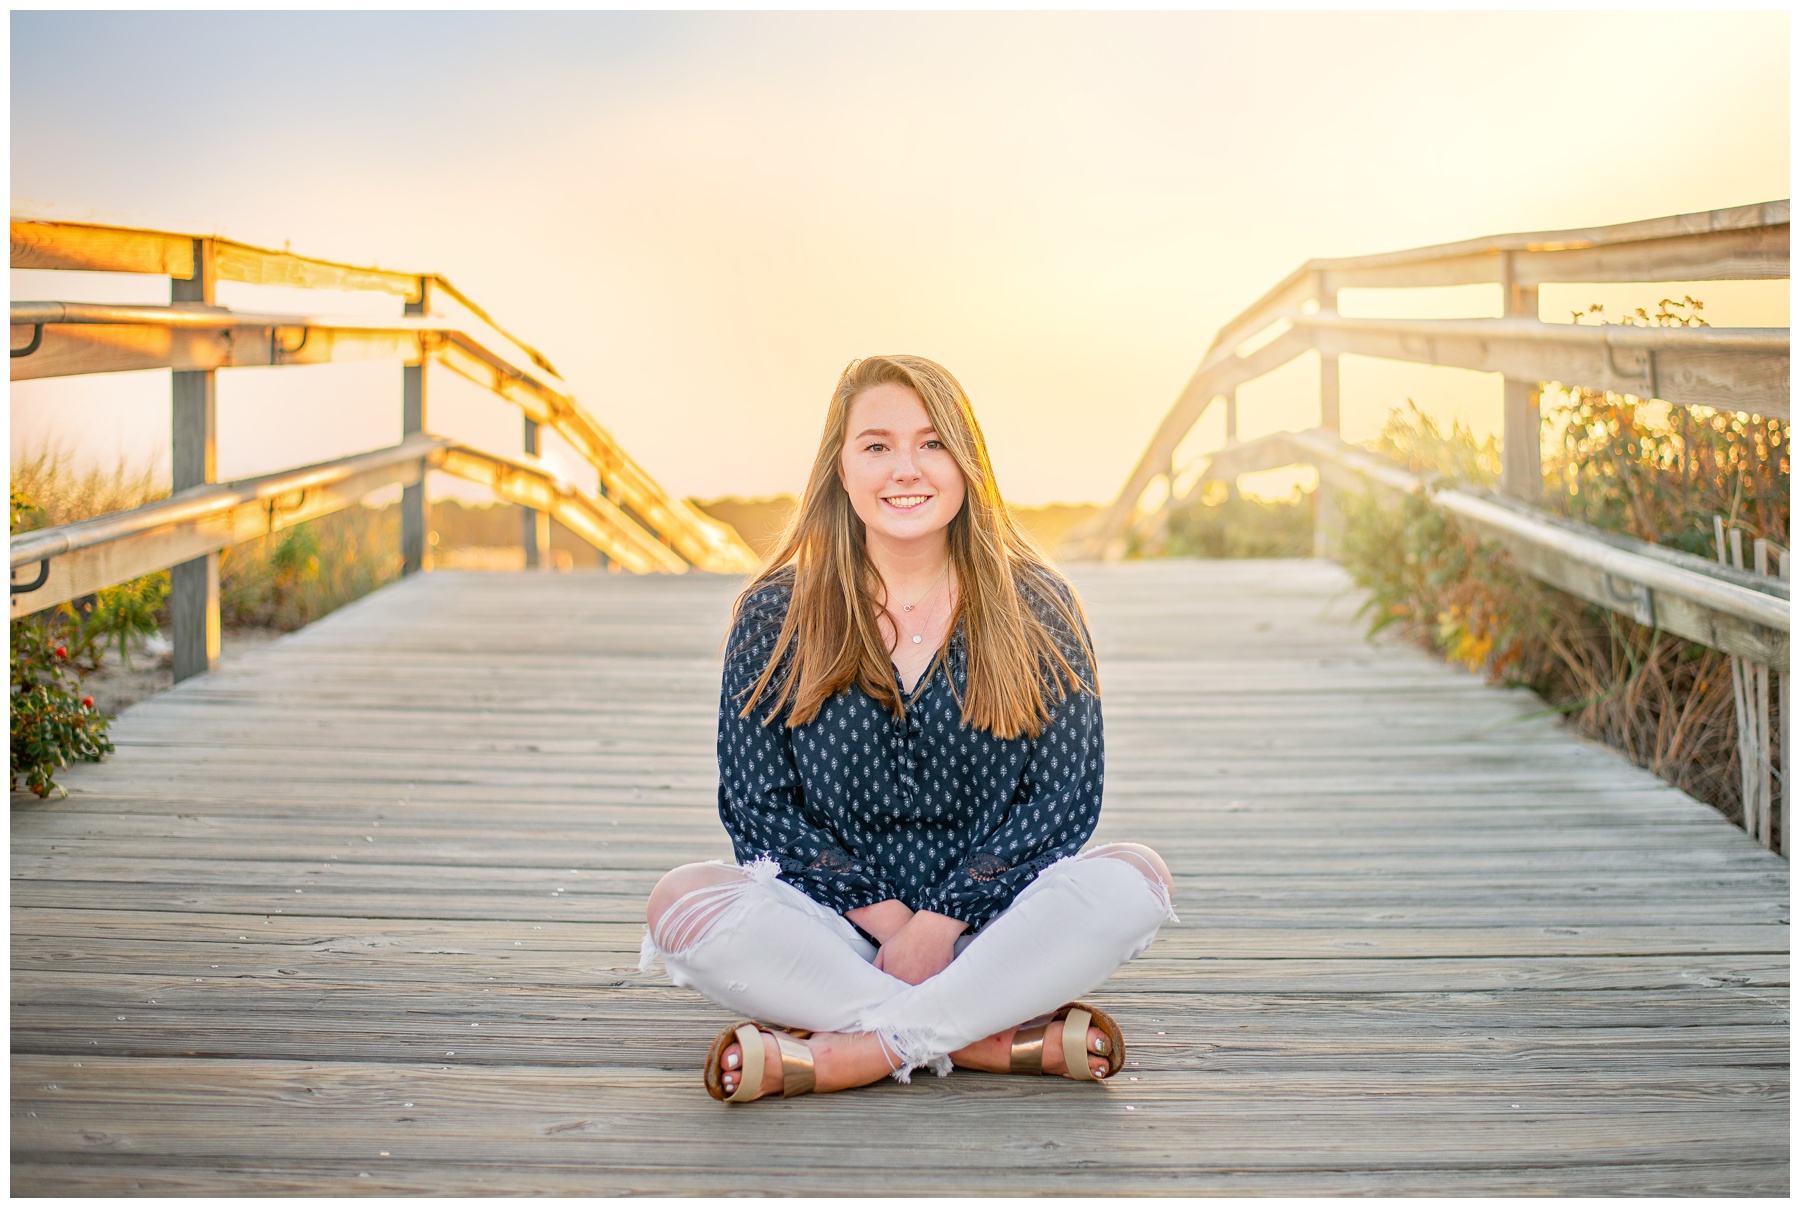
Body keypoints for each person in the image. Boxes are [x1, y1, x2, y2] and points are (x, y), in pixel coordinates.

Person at [640, 354, 1175, 1103]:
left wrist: (942, 923)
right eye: (877, 445)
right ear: (841, 467)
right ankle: (985, 1039)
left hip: (996, 930)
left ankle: (853, 1052)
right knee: (679, 901)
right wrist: (896, 929)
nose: (906, 469)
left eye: (932, 443)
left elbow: (1064, 802)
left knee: (1137, 879)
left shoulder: (1039, 606)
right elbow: (760, 809)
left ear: (967, 463)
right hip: (833, 933)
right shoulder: (775, 613)